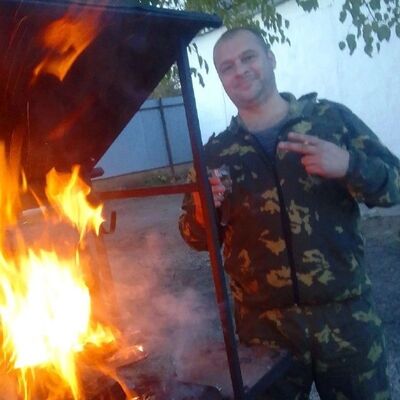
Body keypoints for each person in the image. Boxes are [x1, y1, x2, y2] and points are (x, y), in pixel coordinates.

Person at [179, 27, 400, 399]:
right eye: (227, 67)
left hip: (346, 319)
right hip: (263, 331)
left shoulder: (330, 121)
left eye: (248, 57)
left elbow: (394, 185)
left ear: (270, 59)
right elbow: (194, 236)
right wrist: (202, 212)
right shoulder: (214, 154)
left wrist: (349, 166)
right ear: (221, 79)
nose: (240, 70)